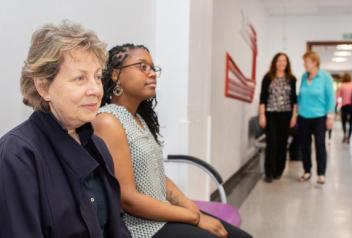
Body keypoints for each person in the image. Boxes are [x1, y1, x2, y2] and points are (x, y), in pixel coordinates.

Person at [93, 44, 253, 238]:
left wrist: (192, 209)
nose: (152, 74)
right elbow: (128, 200)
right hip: (139, 228)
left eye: (153, 68)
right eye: (142, 67)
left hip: (161, 215)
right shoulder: (108, 120)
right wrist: (194, 218)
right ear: (116, 75)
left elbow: (160, 178)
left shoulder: (138, 119)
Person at [0, 22, 131, 238]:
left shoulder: (97, 146)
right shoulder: (16, 156)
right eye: (80, 78)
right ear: (43, 87)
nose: (96, 90)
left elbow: (115, 227)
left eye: (97, 77)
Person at [258, 52, 297, 183]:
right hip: (271, 114)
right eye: (279, 61)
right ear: (275, 62)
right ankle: (269, 172)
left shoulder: (291, 79)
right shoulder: (268, 77)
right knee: (272, 142)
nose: (282, 63)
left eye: (284, 61)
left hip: (286, 114)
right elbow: (262, 97)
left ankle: (278, 171)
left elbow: (294, 99)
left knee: (282, 143)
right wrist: (262, 115)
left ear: (287, 63)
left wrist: (294, 116)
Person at [298, 51, 335, 185]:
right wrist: (297, 112)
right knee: (305, 146)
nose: (304, 64)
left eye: (306, 62)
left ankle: (321, 174)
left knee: (320, 145)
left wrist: (330, 116)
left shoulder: (325, 77)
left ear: (314, 62)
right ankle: (307, 171)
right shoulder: (303, 77)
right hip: (303, 117)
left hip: (319, 117)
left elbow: (331, 97)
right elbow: (300, 96)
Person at [336, 73, 352, 144]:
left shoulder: (341, 86)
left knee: (344, 122)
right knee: (351, 123)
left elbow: (337, 97)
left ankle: (345, 135)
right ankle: (349, 138)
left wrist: (337, 105)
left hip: (345, 106)